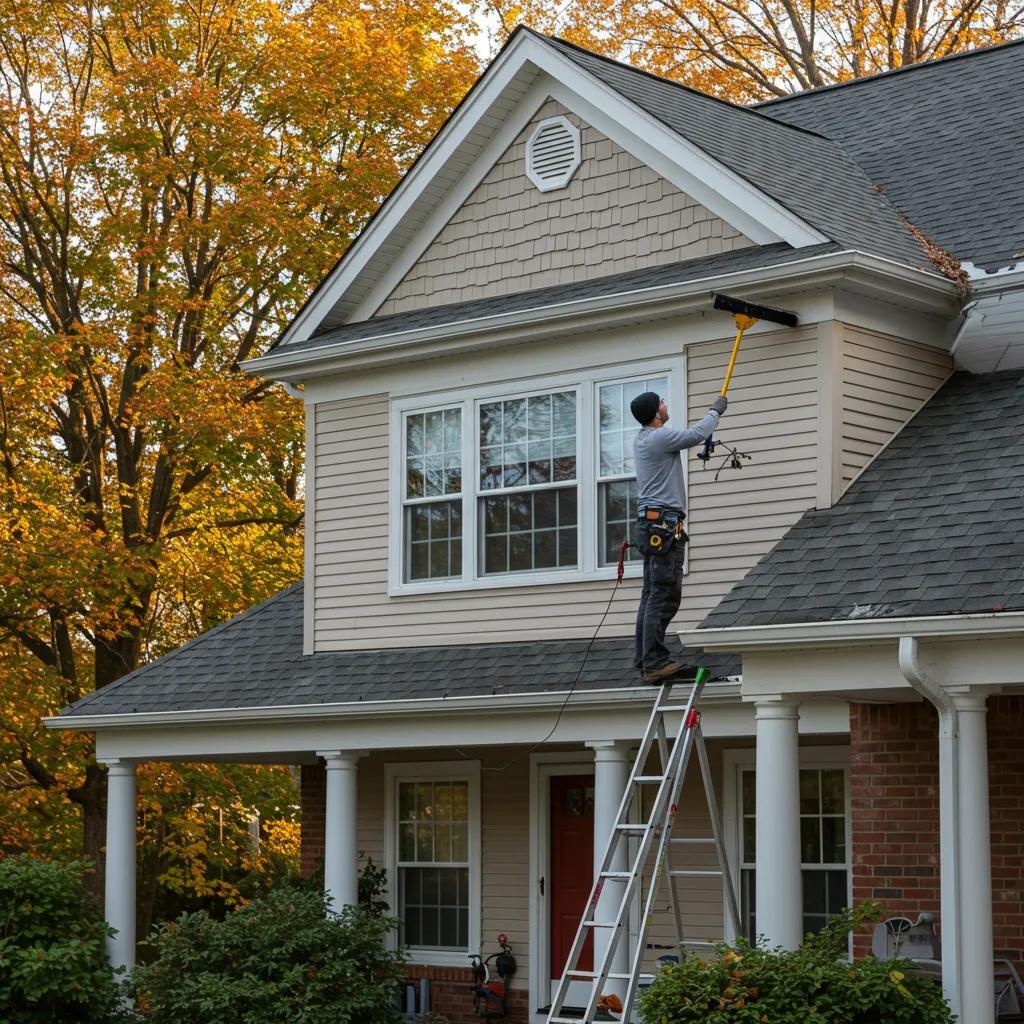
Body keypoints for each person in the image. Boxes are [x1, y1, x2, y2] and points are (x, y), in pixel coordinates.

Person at [630, 390, 729, 683]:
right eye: (662, 402)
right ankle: (654, 661)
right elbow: (697, 433)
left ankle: (648, 659)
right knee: (661, 594)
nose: (665, 405)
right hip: (661, 526)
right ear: (655, 413)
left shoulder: (645, 439)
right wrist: (716, 411)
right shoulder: (657, 437)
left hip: (657, 525)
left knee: (655, 594)